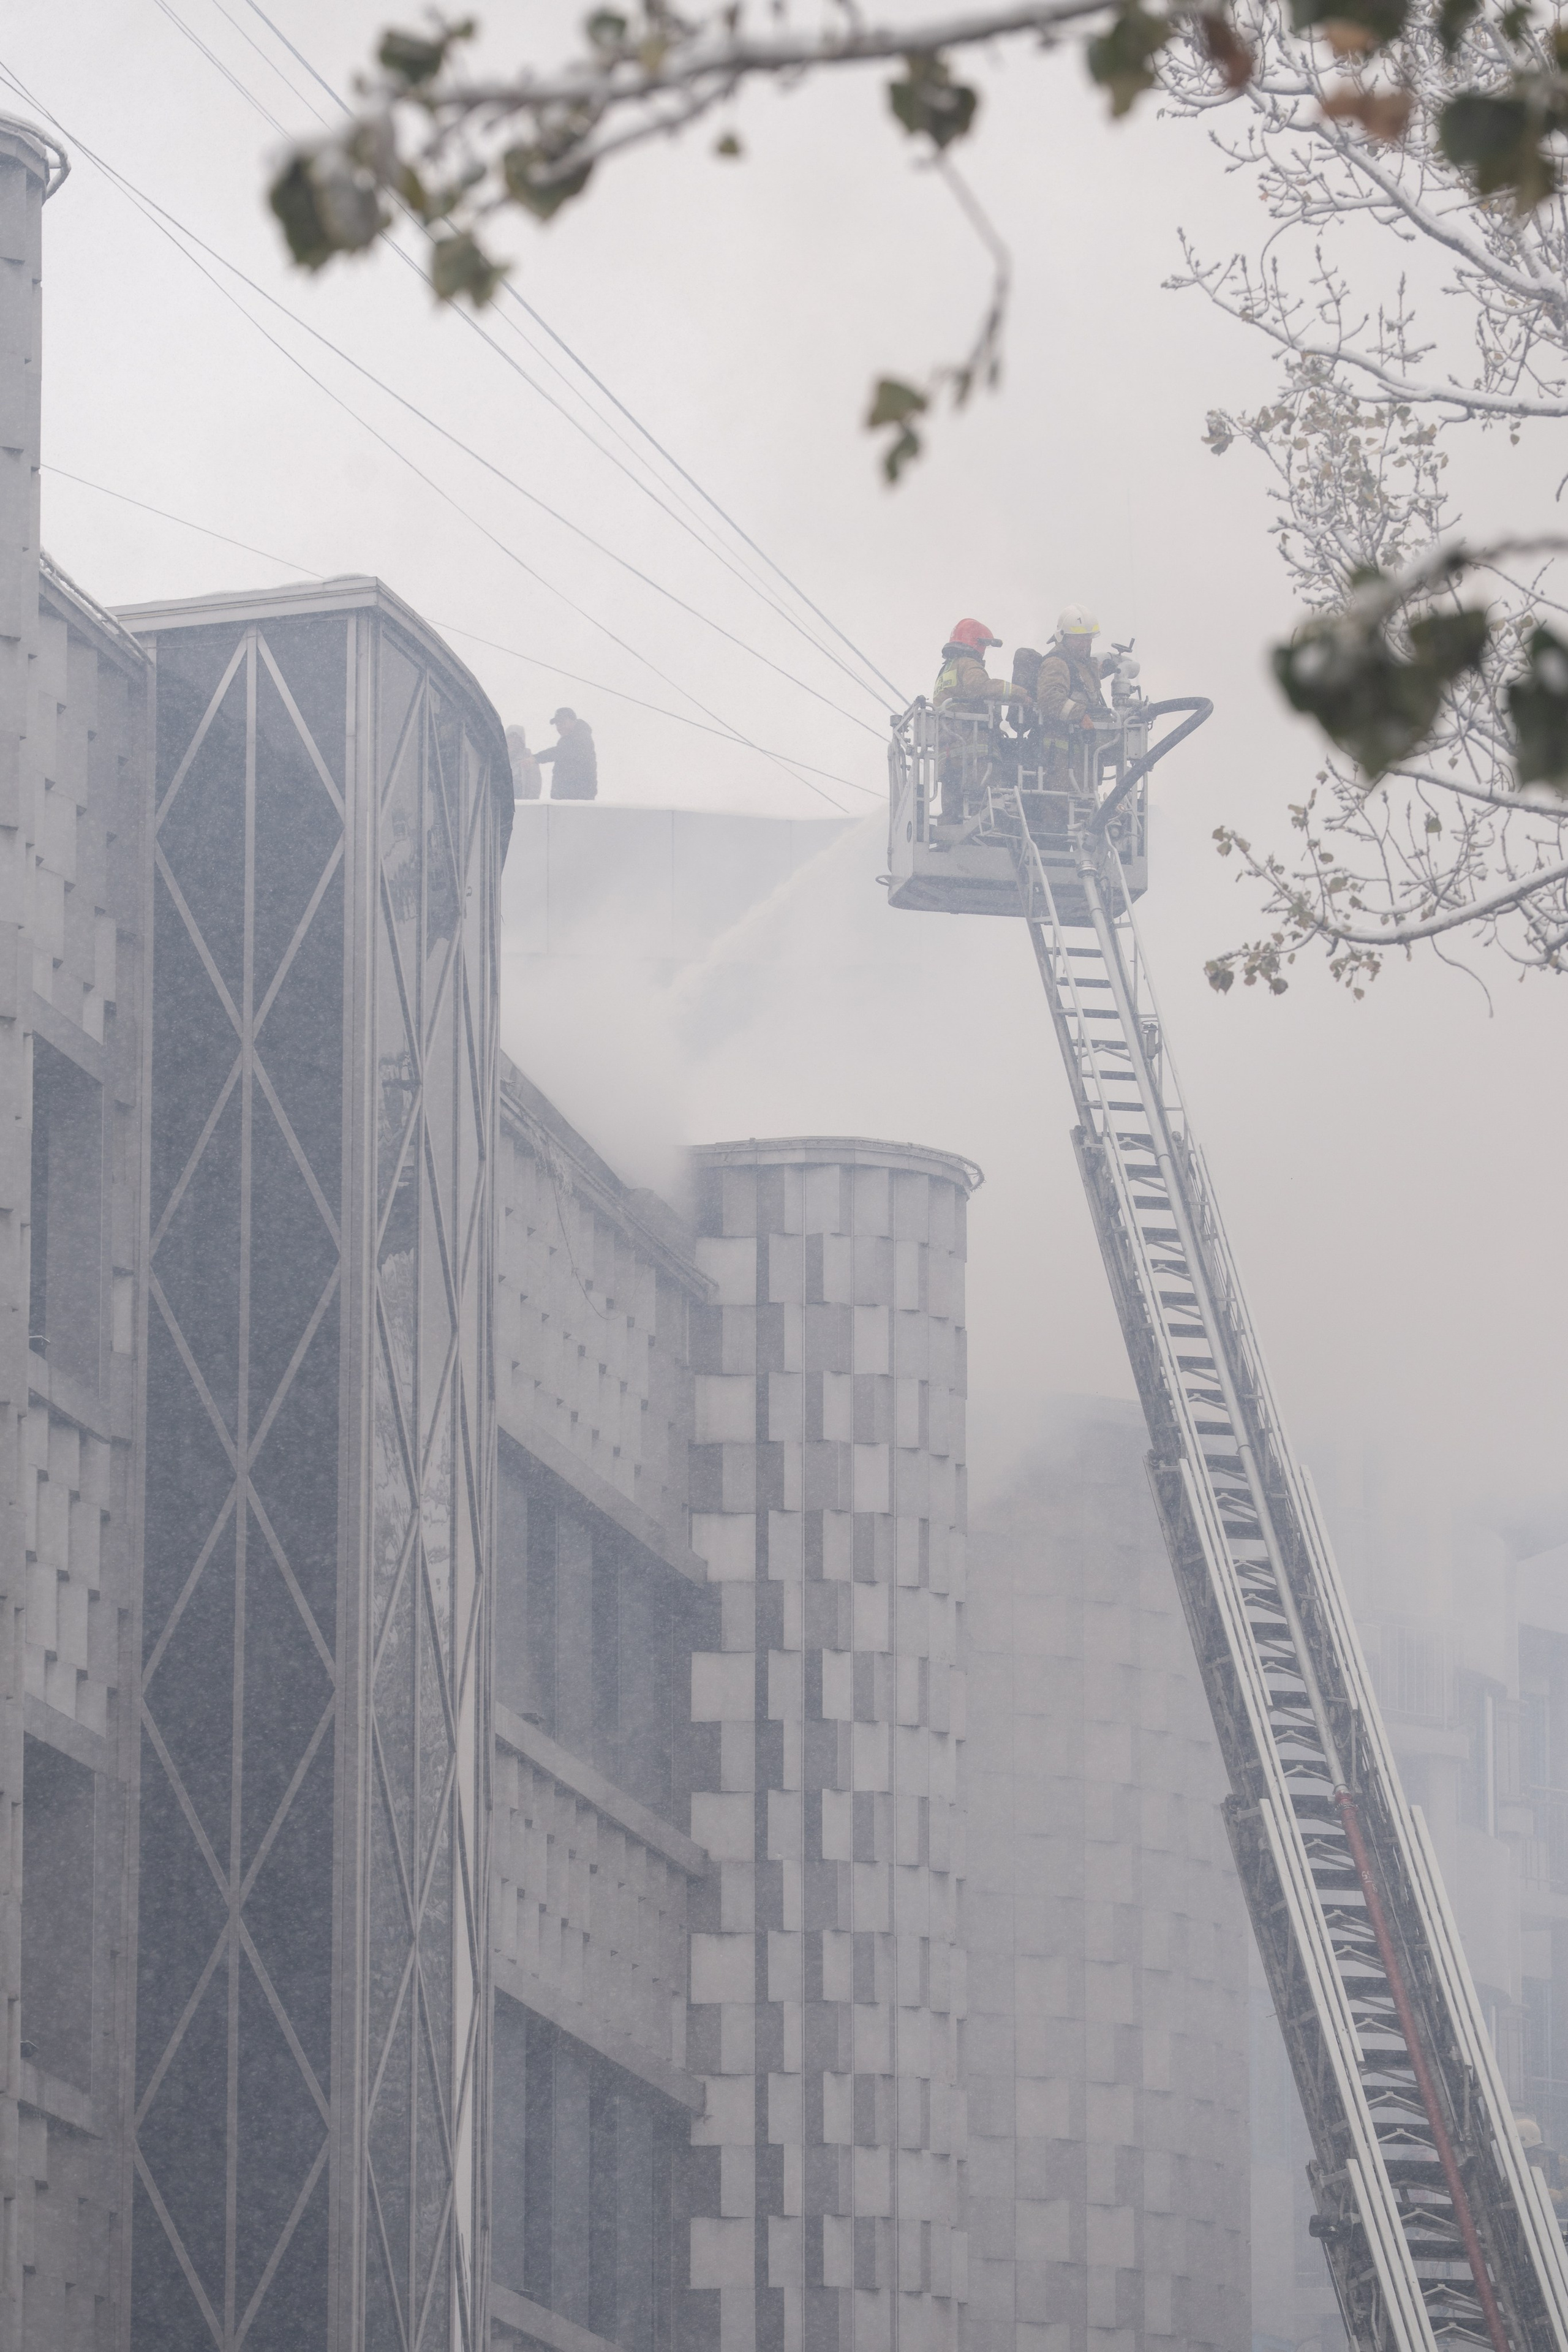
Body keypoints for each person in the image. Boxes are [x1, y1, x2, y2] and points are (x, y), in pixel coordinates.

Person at [932, 619, 1025, 820]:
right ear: (977, 644)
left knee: (954, 810)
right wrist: (1020, 693)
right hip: (973, 749)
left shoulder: (946, 670)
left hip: (949, 755)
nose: (984, 652)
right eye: (984, 646)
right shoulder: (968, 663)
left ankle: (951, 836)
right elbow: (980, 687)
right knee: (982, 805)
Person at [1033, 606, 1112, 779]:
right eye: (1079, 638)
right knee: (1061, 805)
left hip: (1080, 759)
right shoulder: (1056, 662)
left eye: (1088, 637)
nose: (1085, 643)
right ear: (1063, 637)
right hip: (1062, 759)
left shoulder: (1080, 664)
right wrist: (1081, 716)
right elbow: (1050, 698)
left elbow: (1080, 688)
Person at [537, 706, 598, 801]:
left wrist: (536, 758)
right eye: (557, 724)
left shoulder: (582, 737)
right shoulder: (567, 740)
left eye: (563, 722)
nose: (559, 726)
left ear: (573, 721)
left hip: (578, 799)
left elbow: (561, 752)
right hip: (565, 799)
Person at [506, 723, 543, 801]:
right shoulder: (498, 760)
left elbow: (535, 786)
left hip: (522, 805)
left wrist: (529, 805)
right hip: (501, 804)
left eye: (516, 739)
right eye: (510, 738)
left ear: (522, 742)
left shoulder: (529, 759)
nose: (513, 741)